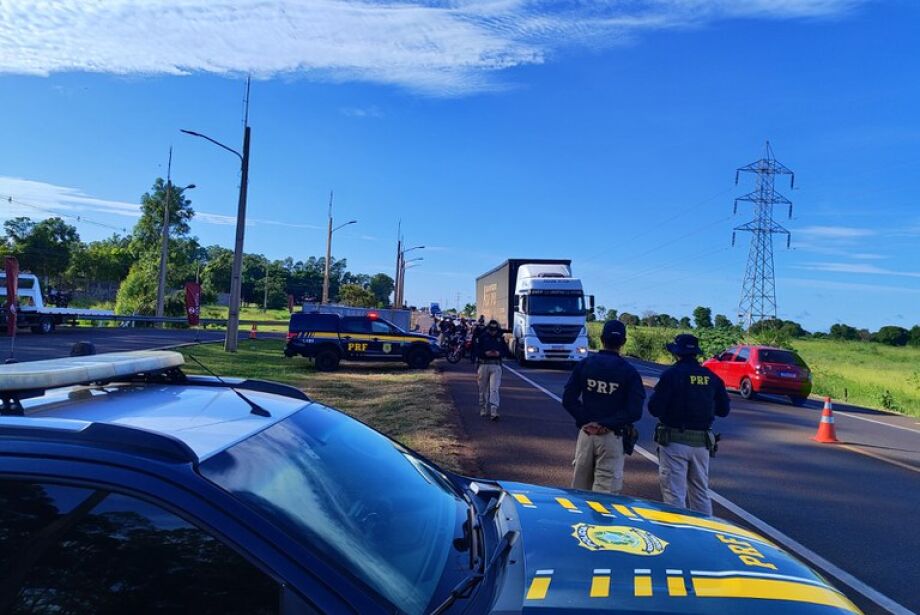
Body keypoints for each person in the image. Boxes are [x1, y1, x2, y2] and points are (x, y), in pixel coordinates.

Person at [648, 333, 730, 515]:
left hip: (674, 441)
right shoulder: (711, 377)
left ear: (677, 353)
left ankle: (677, 535)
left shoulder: (671, 375)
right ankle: (703, 535)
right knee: (700, 493)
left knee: (674, 494)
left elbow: (654, 408)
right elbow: (724, 410)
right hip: (702, 444)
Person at [562, 320, 645, 494]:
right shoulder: (629, 372)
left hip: (586, 434)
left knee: (579, 492)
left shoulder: (585, 365)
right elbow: (634, 411)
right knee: (605, 496)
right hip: (611, 437)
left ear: (601, 339)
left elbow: (569, 399)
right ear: (623, 342)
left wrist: (587, 421)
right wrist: (606, 424)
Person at [475, 319, 505, 421]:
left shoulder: (500, 338)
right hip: (483, 364)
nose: (493, 331)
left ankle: (494, 410)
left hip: (496, 365)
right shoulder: (482, 337)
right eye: (491, 329)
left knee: (494, 389)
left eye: (495, 329)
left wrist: (498, 353)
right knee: (482, 389)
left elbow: (505, 351)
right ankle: (483, 407)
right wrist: (485, 353)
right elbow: (476, 350)